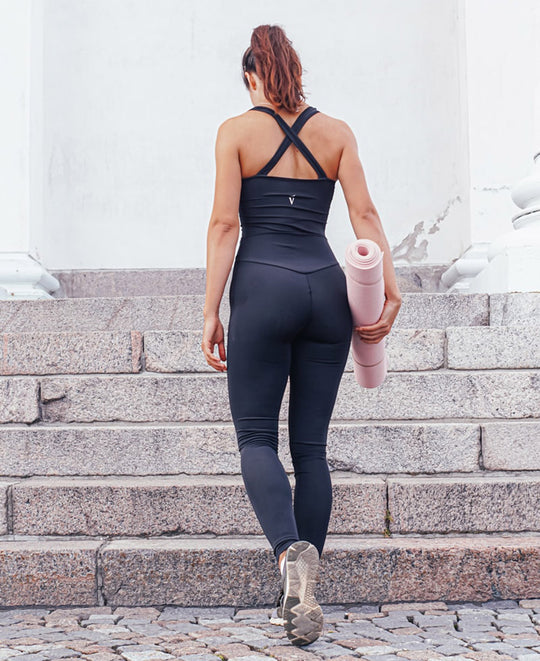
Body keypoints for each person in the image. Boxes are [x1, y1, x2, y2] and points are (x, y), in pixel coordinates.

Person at [202, 24, 402, 646]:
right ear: (295, 71)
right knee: (310, 450)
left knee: (256, 439)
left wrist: (211, 309)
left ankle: (290, 556)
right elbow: (364, 215)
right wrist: (390, 286)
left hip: (263, 288)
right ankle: (303, 584)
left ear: (252, 76)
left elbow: (225, 224)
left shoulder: (235, 132)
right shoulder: (336, 133)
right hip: (326, 290)